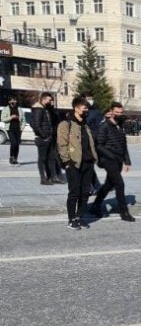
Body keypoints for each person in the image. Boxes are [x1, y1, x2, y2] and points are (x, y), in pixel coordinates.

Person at [57, 95, 98, 230]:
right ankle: (71, 219)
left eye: (87, 108)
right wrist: (67, 162)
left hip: (88, 163)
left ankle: (80, 217)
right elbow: (62, 144)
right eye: (84, 108)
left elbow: (90, 143)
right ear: (76, 108)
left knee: (85, 192)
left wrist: (94, 158)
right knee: (74, 192)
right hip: (73, 163)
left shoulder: (85, 125)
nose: (86, 110)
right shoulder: (65, 124)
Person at [90, 102, 135, 222]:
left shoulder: (120, 125)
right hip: (108, 160)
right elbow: (99, 145)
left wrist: (127, 161)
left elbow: (123, 145)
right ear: (111, 112)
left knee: (108, 184)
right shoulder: (104, 126)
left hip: (118, 160)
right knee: (119, 184)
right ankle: (124, 212)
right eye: (117, 112)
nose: (119, 114)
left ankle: (95, 205)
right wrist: (112, 156)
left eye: (121, 112)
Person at [30, 91, 64, 184]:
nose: (51, 101)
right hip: (43, 139)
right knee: (42, 159)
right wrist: (44, 136)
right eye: (49, 100)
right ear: (43, 99)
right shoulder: (38, 109)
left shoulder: (45, 109)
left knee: (51, 158)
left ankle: (52, 177)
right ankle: (43, 178)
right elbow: (36, 125)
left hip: (50, 138)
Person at [1, 94, 24, 165]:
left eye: (15, 100)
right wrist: (11, 117)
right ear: (9, 101)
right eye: (12, 100)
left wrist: (22, 128)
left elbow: (23, 119)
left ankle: (15, 158)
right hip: (10, 128)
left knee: (17, 144)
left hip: (18, 128)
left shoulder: (19, 109)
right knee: (13, 143)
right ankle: (11, 157)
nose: (14, 101)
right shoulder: (6, 109)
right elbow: (3, 119)